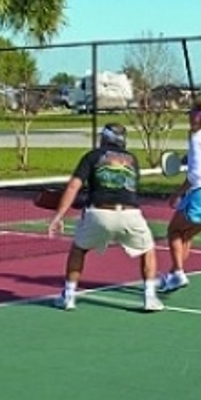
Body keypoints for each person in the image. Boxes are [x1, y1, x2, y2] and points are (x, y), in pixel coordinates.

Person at [47, 123, 162, 312]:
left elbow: (73, 186)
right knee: (147, 249)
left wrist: (58, 216)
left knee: (79, 250)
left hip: (98, 213)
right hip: (130, 213)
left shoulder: (92, 156)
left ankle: (68, 296)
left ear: (104, 138)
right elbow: (125, 190)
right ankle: (150, 297)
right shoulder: (132, 159)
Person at [160, 98, 201, 293]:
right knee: (186, 235)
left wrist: (177, 193)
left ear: (197, 116)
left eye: (190, 113)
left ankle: (179, 273)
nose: (188, 117)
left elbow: (196, 174)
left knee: (173, 231)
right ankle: (173, 275)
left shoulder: (198, 139)